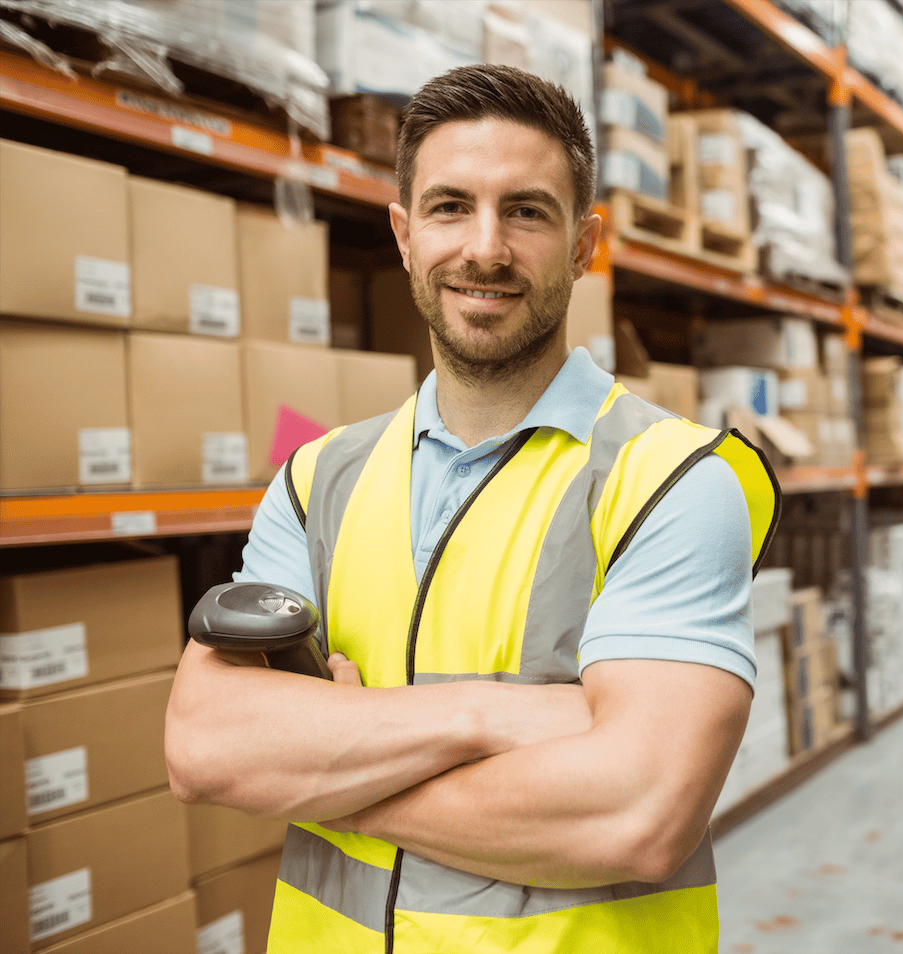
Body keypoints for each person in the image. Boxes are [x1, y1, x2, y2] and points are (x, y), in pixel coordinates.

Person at [165, 64, 780, 952]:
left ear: (585, 244)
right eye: (450, 207)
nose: (484, 248)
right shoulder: (315, 479)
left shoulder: (674, 479)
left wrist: (327, 763)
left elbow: (641, 814)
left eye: (526, 211)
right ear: (405, 235)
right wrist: (487, 716)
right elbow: (203, 746)